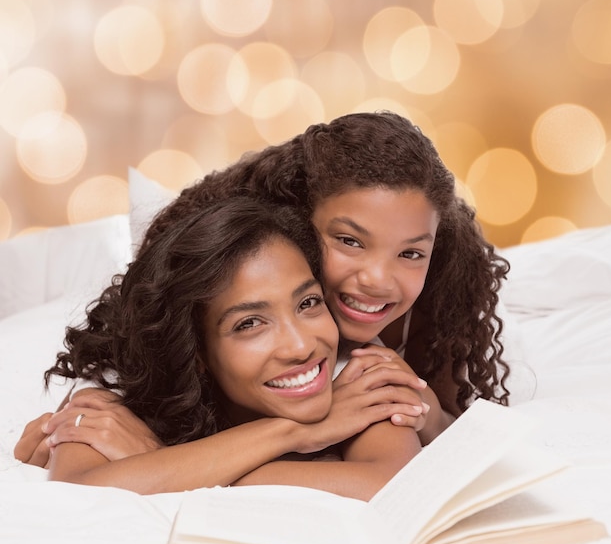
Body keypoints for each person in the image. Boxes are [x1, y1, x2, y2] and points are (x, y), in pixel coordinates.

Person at [16, 110, 509, 464]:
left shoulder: (411, 324)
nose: (378, 279)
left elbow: (428, 437)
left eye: (410, 253)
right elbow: (90, 455)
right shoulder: (208, 299)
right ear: (294, 224)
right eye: (348, 241)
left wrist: (426, 414)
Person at [41, 197, 425, 500]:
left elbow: (391, 486)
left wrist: (156, 463)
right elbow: (77, 492)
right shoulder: (117, 394)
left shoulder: (358, 371)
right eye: (249, 324)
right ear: (197, 353)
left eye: (308, 303)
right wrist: (292, 433)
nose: (301, 346)